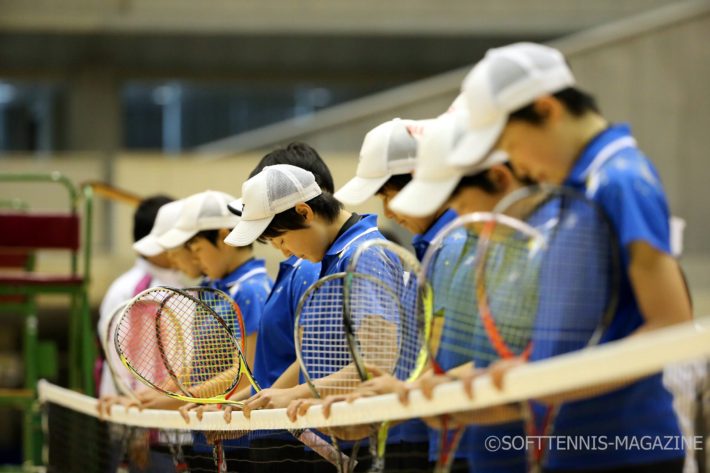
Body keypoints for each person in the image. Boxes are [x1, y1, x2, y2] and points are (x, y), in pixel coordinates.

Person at [445, 41, 693, 473]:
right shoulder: (568, 196)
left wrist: (537, 385)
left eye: (510, 143)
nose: (516, 164)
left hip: (630, 451)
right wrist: (502, 386)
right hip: (571, 449)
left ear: (545, 110)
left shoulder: (620, 179)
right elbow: (569, 345)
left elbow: (671, 321)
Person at [158, 189, 273, 472]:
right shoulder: (214, 289)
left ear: (223, 237)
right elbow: (203, 363)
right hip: (208, 428)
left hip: (240, 437)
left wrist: (188, 396)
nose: (196, 262)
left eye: (197, 251)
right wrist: (170, 395)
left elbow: (247, 371)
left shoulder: (252, 290)